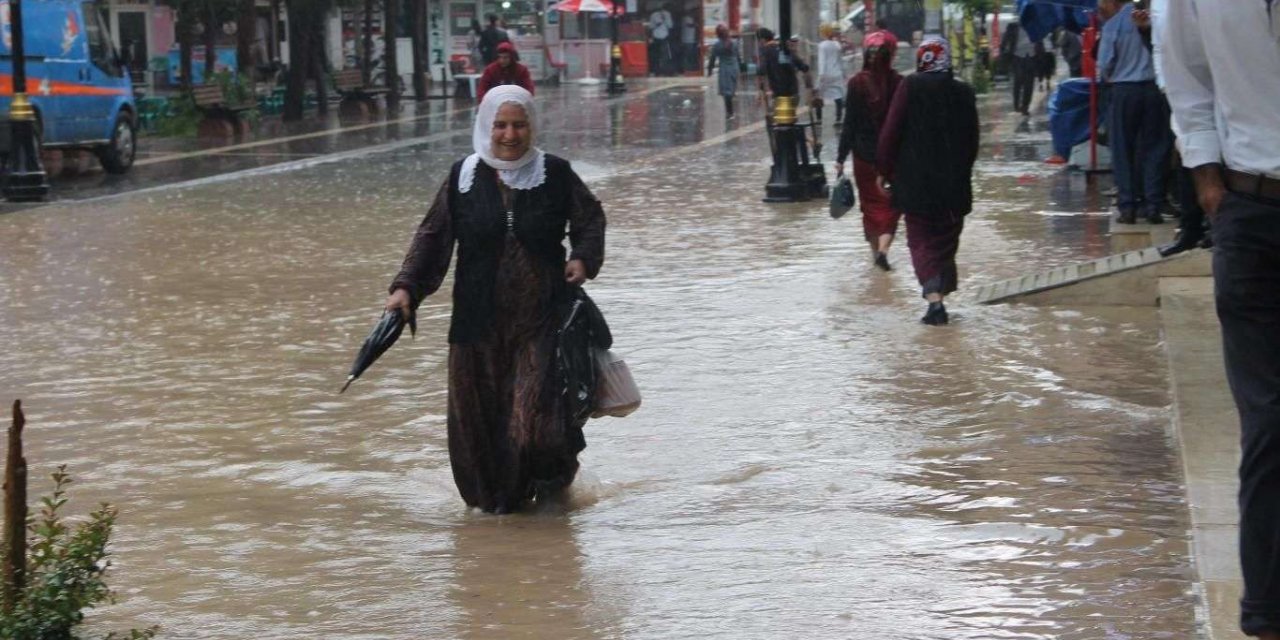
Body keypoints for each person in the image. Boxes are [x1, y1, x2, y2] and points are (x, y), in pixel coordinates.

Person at [384, 86, 607, 514]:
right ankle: (500, 517)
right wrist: (406, 287)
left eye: (519, 125)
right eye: (501, 125)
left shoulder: (555, 173)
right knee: (478, 429)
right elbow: (432, 237)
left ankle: (554, 494)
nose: (510, 134)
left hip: (540, 322)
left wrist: (582, 257)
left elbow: (590, 218)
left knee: (537, 426)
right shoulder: (463, 178)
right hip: (476, 325)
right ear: (486, 126)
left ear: (532, 127)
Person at [1162, 3, 1280, 637]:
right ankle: (1266, 610)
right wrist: (1209, 181)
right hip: (1251, 212)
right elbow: (1186, 78)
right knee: (1269, 419)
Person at [876, 37, 979, 325]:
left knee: (921, 240)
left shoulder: (910, 86)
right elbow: (972, 141)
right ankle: (939, 295)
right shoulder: (963, 91)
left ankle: (935, 301)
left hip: (915, 183)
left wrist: (883, 169)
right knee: (945, 240)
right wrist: (962, 172)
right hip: (953, 186)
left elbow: (891, 131)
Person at [835, 30, 903, 272]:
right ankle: (883, 251)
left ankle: (876, 255)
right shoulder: (899, 83)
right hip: (893, 157)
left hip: (863, 157)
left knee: (870, 205)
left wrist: (840, 158)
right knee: (893, 204)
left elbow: (849, 124)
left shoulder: (856, 83)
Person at [1098, 0, 1169, 224]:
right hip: (1154, 90)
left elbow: (1105, 64)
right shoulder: (1155, 21)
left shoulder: (1114, 25)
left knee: (1122, 150)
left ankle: (1128, 207)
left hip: (1123, 91)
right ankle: (1153, 205)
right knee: (1154, 148)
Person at [756, 28, 811, 106]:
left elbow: (761, 72)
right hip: (793, 93)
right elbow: (804, 68)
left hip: (779, 95)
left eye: (758, 41)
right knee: (791, 112)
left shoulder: (766, 51)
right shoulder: (785, 48)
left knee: (779, 112)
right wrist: (809, 89)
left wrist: (759, 91)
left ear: (762, 40)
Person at [1000, 20, 1042, 115]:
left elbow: (1039, 41)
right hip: (1017, 57)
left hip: (1031, 57)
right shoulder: (1013, 26)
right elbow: (1005, 41)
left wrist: (1040, 54)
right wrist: (1003, 52)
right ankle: (1016, 105)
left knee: (1029, 84)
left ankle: (1025, 106)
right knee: (1018, 81)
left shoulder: (1035, 26)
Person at [706, 24, 741, 119]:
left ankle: (730, 112)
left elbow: (712, 58)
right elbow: (738, 56)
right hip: (734, 67)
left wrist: (710, 70)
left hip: (724, 69)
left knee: (726, 91)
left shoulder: (717, 45)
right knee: (731, 89)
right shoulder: (734, 43)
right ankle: (730, 111)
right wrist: (740, 68)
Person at [815, 23, 846, 127]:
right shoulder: (837, 45)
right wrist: (843, 73)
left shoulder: (822, 45)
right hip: (837, 73)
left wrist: (821, 75)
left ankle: (819, 119)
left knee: (819, 95)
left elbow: (822, 61)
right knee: (838, 96)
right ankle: (838, 118)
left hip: (825, 74)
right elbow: (840, 61)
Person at [648, 4, 674, 75]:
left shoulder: (667, 14)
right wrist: (659, 23)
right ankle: (657, 71)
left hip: (664, 37)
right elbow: (651, 27)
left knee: (665, 55)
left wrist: (665, 19)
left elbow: (670, 26)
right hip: (656, 37)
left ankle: (664, 71)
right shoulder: (654, 15)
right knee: (656, 55)